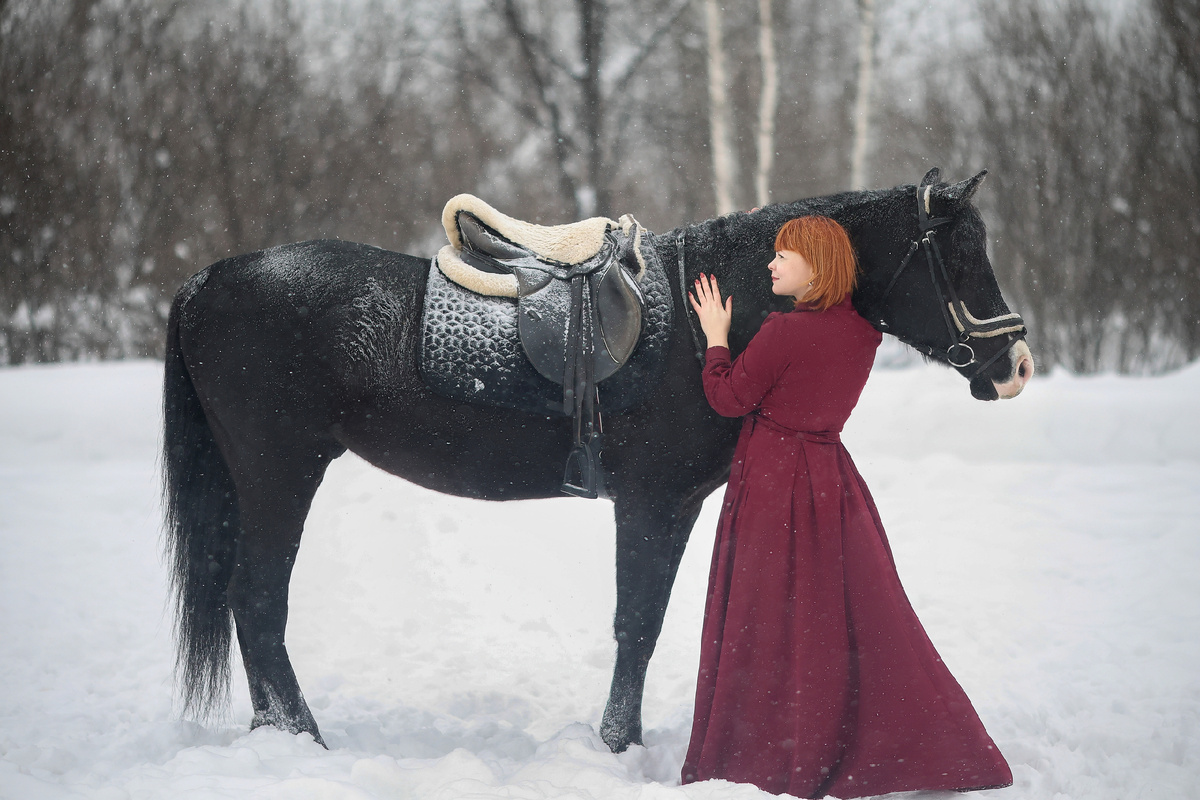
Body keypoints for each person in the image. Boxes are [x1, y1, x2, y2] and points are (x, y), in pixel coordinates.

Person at [680, 216, 1012, 798]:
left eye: (785, 256)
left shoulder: (783, 332)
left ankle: (767, 743)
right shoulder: (864, 336)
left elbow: (729, 398)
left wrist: (715, 337)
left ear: (819, 265)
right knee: (839, 612)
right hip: (832, 482)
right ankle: (869, 735)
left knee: (766, 612)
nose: (772, 265)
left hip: (772, 480)